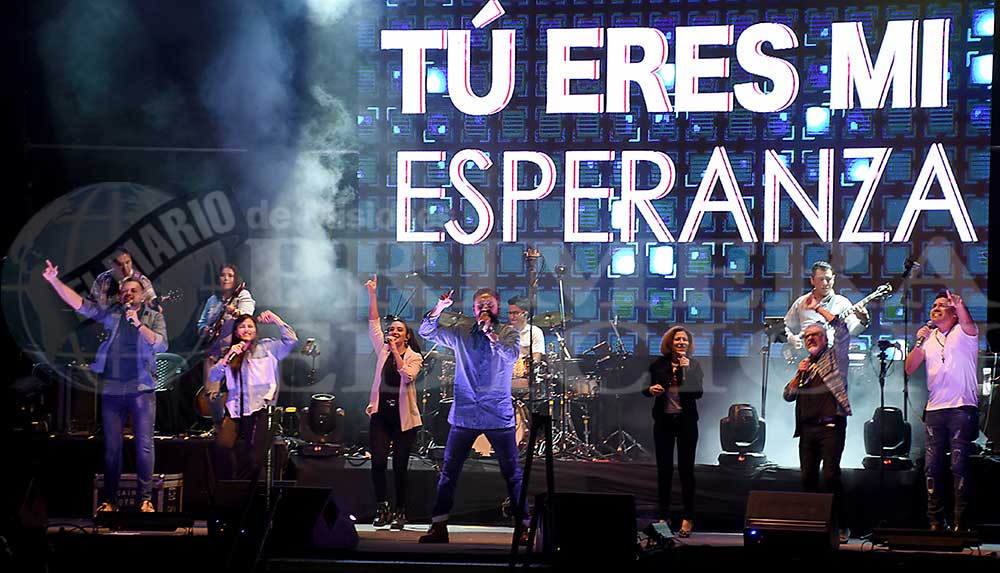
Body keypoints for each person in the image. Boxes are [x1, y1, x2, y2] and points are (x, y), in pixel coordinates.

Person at [43, 259, 167, 514]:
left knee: (144, 446)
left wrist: (138, 324)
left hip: (141, 389)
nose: (128, 294)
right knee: (112, 447)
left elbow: (161, 344)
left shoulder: (153, 317)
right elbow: (81, 304)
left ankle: (145, 499)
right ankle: (110, 500)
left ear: (142, 295)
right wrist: (54, 281)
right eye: (124, 291)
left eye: (133, 291)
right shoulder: (112, 314)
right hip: (112, 389)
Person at [417, 288, 523, 543]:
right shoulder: (461, 333)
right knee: (449, 472)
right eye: (479, 305)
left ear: (497, 308)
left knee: (512, 473)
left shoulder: (508, 332)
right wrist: (439, 308)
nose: (484, 308)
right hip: (465, 414)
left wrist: (490, 334)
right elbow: (426, 332)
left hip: (497, 414)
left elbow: (512, 356)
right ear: (473, 309)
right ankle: (439, 526)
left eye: (489, 304)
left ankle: (523, 527)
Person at [783, 295, 860, 543]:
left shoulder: (834, 358)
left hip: (831, 427)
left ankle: (840, 525)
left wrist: (818, 308)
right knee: (807, 478)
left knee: (830, 476)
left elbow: (842, 329)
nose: (810, 339)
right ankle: (814, 524)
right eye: (807, 337)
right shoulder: (805, 366)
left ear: (825, 339)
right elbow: (787, 395)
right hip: (807, 431)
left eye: (815, 335)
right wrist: (798, 374)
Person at [904, 290, 980, 532]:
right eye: (933, 305)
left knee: (958, 465)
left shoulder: (964, 332)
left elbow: (967, 321)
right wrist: (919, 341)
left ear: (954, 313)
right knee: (932, 466)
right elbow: (909, 368)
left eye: (942, 305)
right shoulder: (929, 338)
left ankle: (961, 522)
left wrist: (959, 305)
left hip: (961, 407)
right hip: (935, 409)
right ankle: (936, 521)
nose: (935, 308)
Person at [208, 311, 297, 481]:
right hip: (235, 409)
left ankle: (252, 489)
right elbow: (213, 376)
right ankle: (231, 482)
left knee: (255, 456)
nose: (246, 329)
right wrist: (227, 358)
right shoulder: (231, 352)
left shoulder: (268, 347)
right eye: (242, 327)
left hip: (260, 408)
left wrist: (276, 320)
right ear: (236, 332)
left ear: (256, 330)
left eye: (250, 326)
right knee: (223, 446)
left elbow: (291, 340)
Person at [365, 275, 423, 529]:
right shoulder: (383, 349)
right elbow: (373, 323)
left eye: (399, 330)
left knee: (400, 465)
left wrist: (397, 354)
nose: (393, 332)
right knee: (378, 462)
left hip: (404, 419)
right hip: (381, 415)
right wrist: (372, 295)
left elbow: (407, 376)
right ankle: (382, 508)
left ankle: (401, 510)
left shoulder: (414, 356)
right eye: (391, 330)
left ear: (407, 336)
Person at [643, 326, 703, 537]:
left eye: (685, 340)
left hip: (686, 423)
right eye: (677, 339)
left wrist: (687, 371)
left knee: (687, 471)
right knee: (664, 471)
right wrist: (651, 390)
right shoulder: (658, 364)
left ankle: (688, 518)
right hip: (664, 422)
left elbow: (698, 393)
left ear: (689, 344)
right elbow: (645, 389)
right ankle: (663, 517)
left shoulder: (694, 365)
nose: (681, 343)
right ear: (670, 342)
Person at [197, 264, 256, 425]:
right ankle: (219, 425)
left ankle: (238, 426)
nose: (226, 278)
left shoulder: (242, 295)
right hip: (214, 352)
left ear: (236, 278)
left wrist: (234, 312)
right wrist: (205, 329)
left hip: (236, 351)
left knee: (238, 392)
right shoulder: (213, 300)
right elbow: (201, 322)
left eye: (230, 275)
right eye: (223, 275)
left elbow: (247, 317)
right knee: (210, 393)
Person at [784, 261, 869, 362]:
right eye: (821, 279)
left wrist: (864, 320)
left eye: (828, 279)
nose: (825, 283)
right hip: (803, 357)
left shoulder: (842, 303)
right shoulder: (801, 302)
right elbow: (785, 326)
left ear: (833, 279)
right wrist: (791, 338)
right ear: (812, 280)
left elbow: (853, 330)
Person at [89, 246, 157, 309]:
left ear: (131, 259)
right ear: (111, 264)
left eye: (127, 262)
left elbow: (154, 306)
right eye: (120, 265)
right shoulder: (102, 279)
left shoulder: (141, 280)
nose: (126, 269)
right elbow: (91, 306)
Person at [507, 296, 545, 397]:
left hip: (526, 374)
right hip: (507, 373)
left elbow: (536, 358)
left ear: (525, 313)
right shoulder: (505, 331)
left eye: (515, 313)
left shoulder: (535, 332)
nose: (512, 316)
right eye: (510, 313)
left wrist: (525, 368)